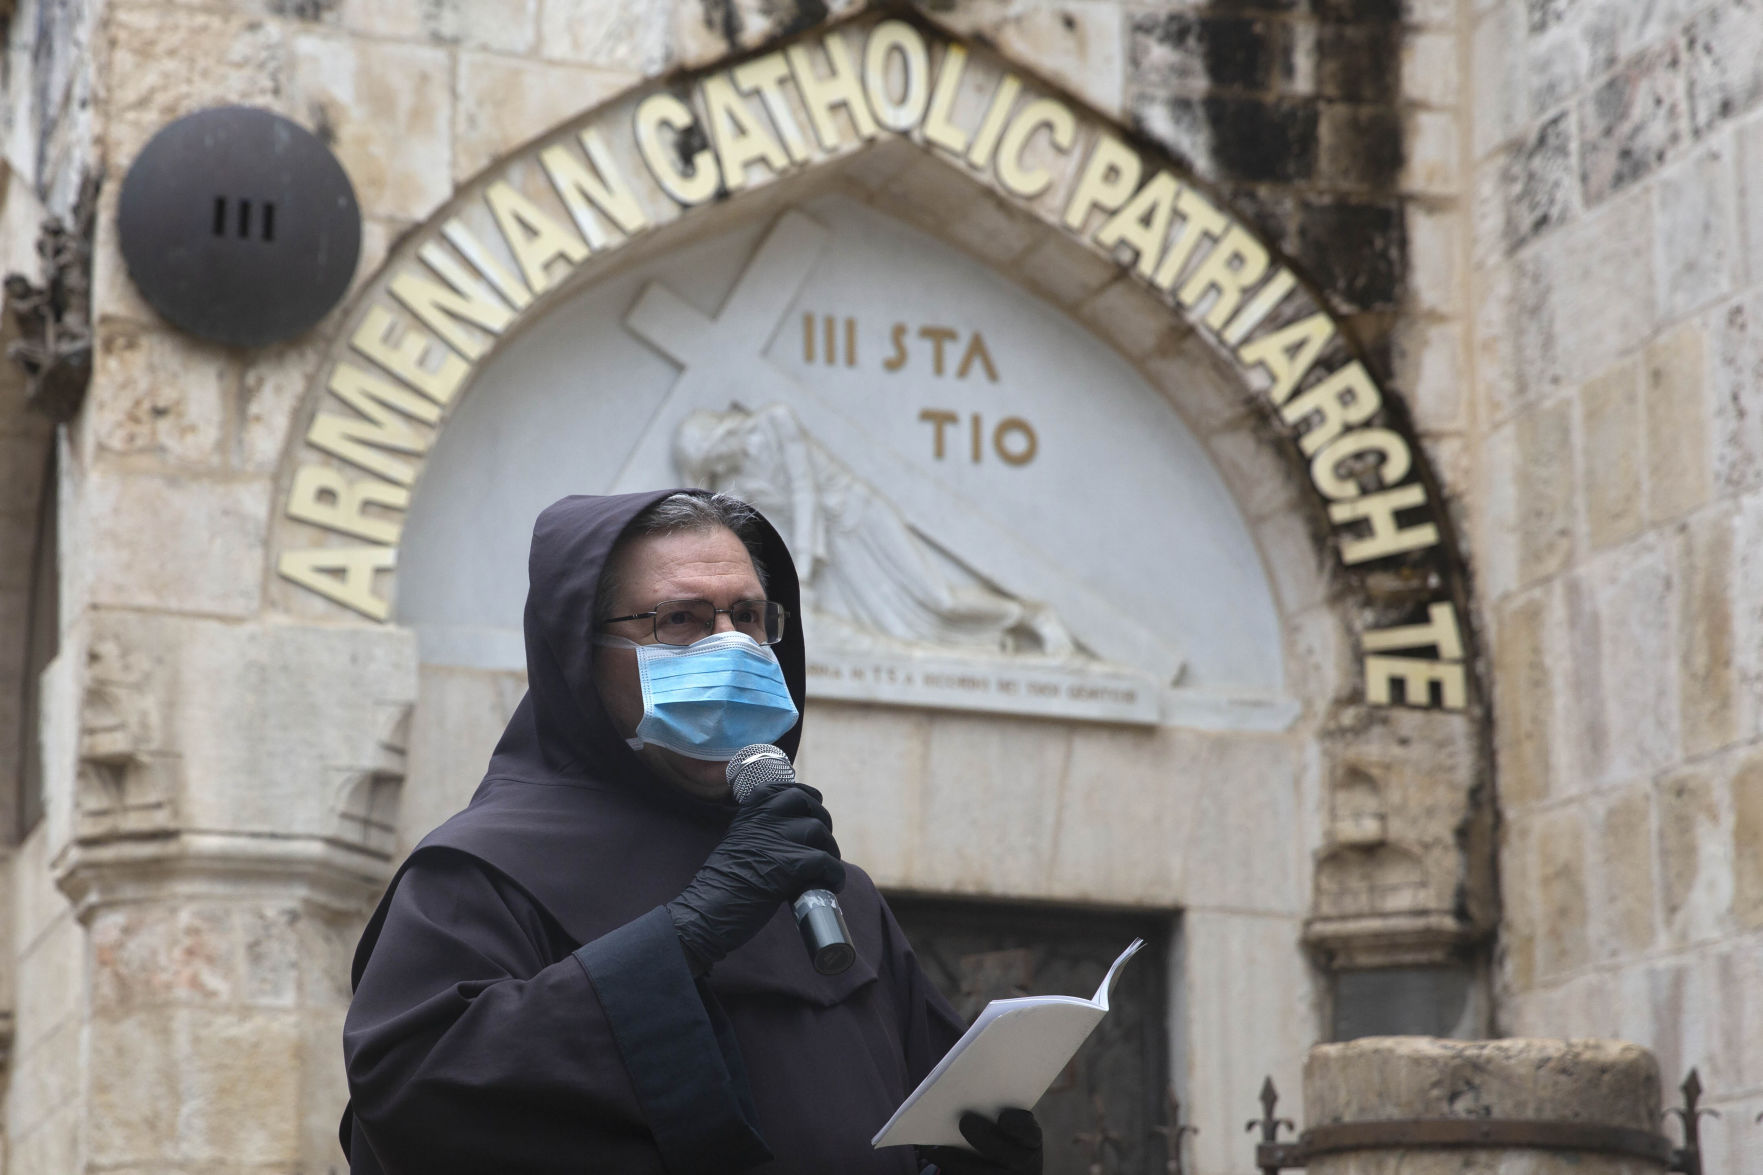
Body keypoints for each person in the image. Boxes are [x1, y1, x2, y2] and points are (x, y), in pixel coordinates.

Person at [339, 489, 1045, 1174]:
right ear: (580, 654)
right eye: (681, 619)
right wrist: (685, 936)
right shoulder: (479, 874)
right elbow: (412, 1103)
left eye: (748, 614)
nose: (732, 645)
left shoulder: (832, 892)